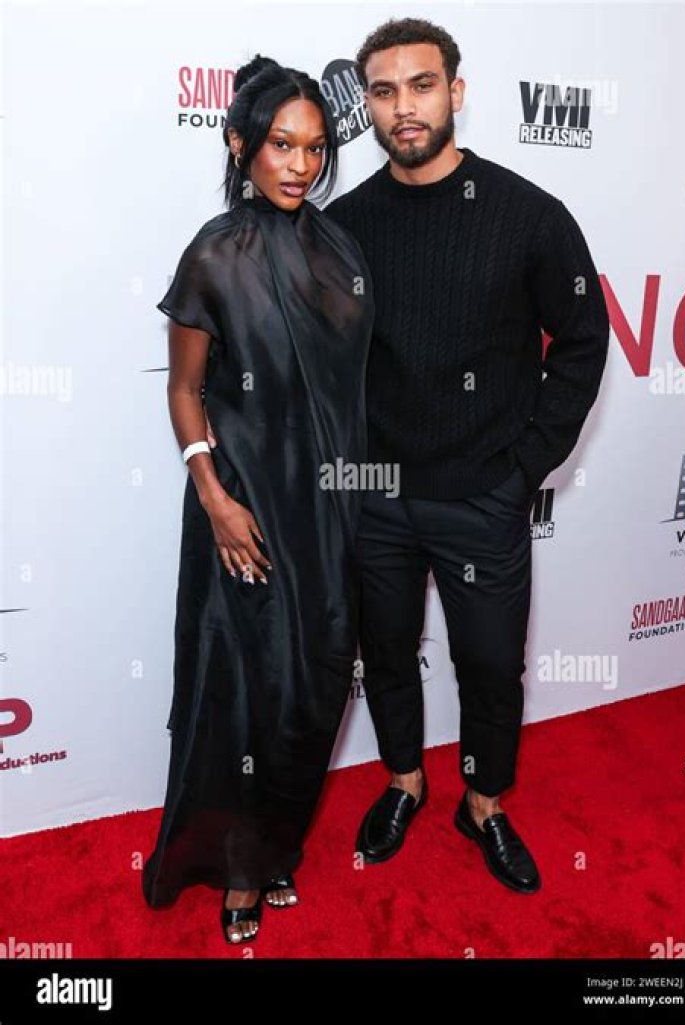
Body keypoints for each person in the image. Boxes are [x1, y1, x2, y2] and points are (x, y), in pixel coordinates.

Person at [324, 17, 610, 893]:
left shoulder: (527, 214)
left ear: (456, 91)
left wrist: (526, 465)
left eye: (421, 85)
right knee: (386, 649)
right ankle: (405, 781)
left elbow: (584, 338)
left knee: (489, 664)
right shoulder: (343, 226)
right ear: (368, 105)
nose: (403, 107)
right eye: (384, 91)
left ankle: (483, 802)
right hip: (375, 492)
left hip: (485, 492)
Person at [142, 54, 374, 943]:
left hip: (329, 510)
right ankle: (240, 867)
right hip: (243, 508)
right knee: (243, 693)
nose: (300, 165)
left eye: (314, 148)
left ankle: (277, 844)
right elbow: (184, 389)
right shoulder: (214, 253)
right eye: (281, 144)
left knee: (312, 690)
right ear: (240, 144)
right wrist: (212, 495)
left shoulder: (341, 249)